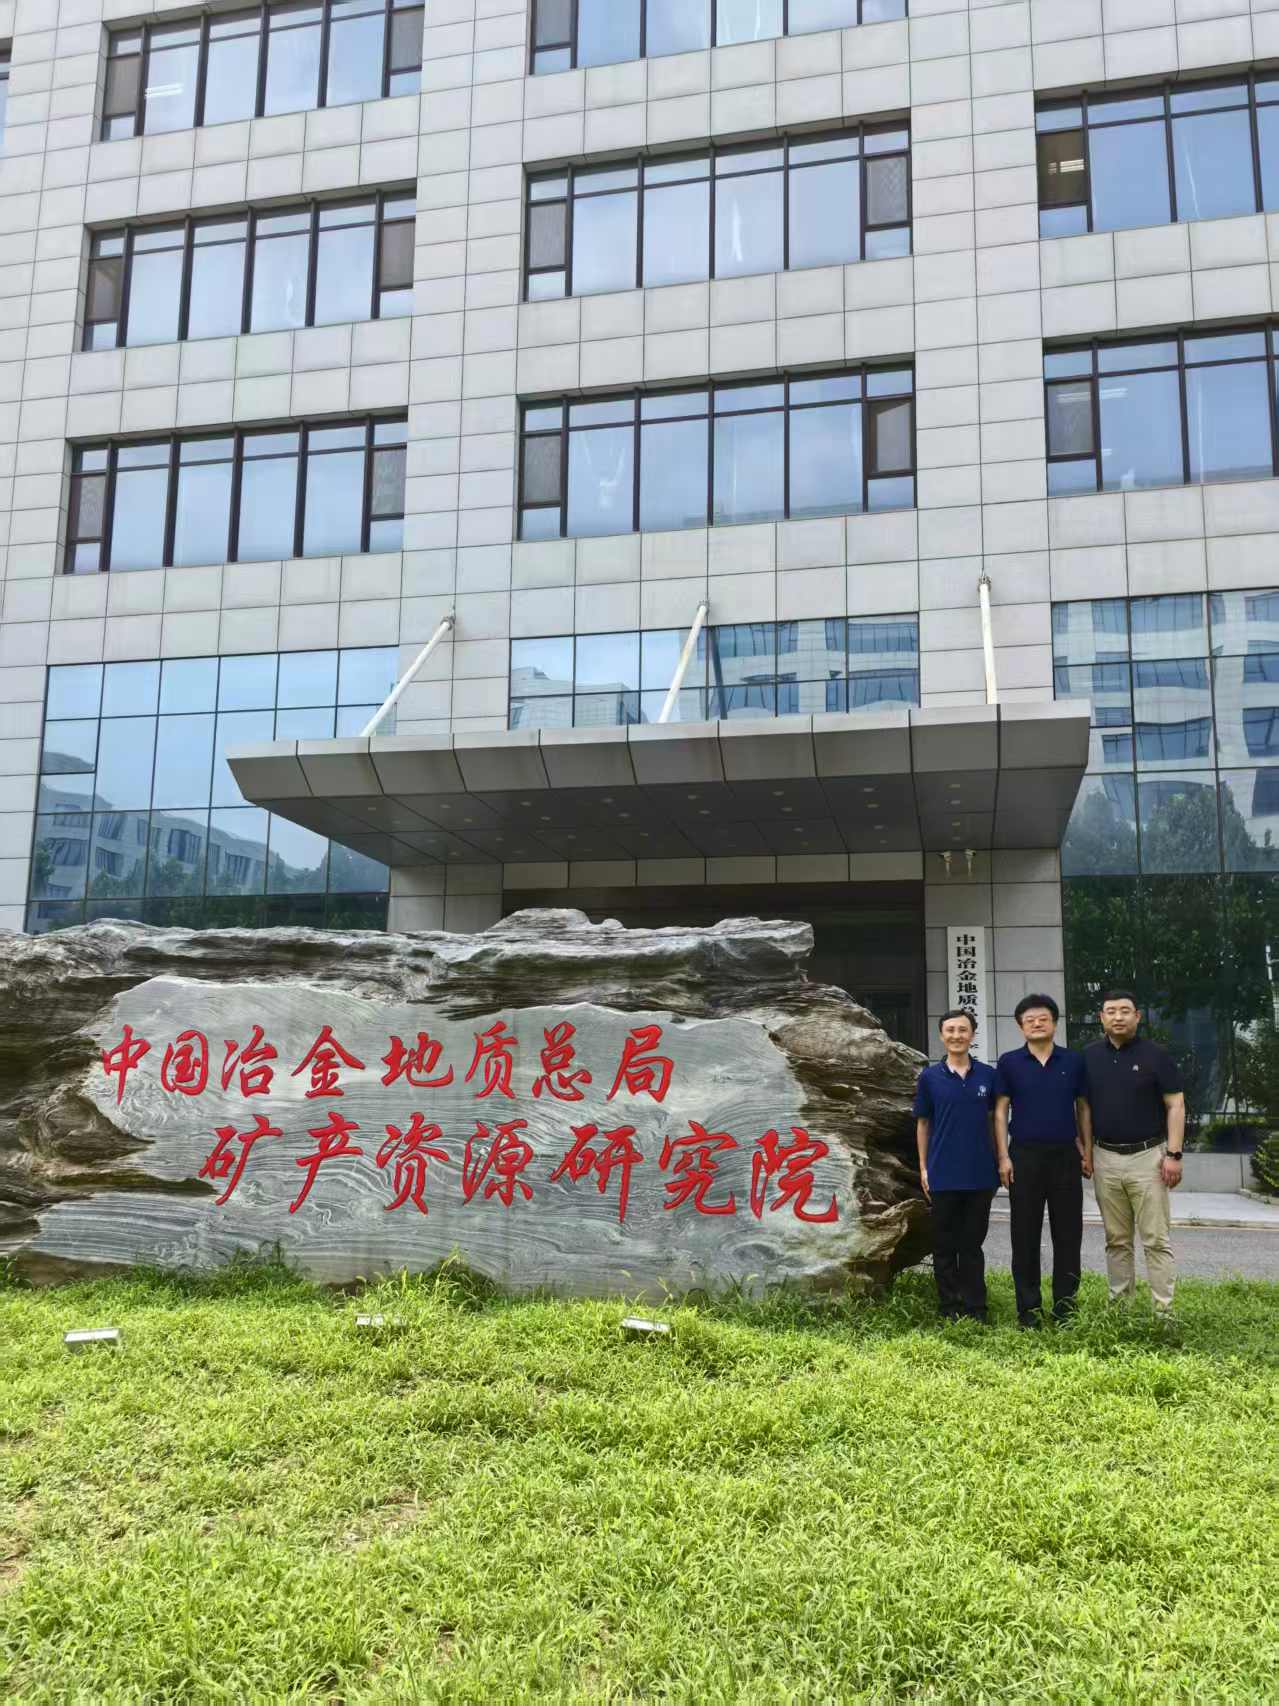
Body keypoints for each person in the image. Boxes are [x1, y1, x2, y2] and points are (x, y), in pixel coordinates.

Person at [1082, 989, 1185, 1314]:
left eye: (1125, 1011)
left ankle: (1164, 1313)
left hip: (1149, 1158)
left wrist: (1174, 1154)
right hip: (1105, 1157)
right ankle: (1119, 1310)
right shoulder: (1089, 1057)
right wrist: (1087, 1153)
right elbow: (1083, 1109)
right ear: (1101, 1018)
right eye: (1111, 1011)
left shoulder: (1156, 1055)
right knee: (1116, 1240)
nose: (1118, 1017)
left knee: (1156, 1239)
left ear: (1137, 1016)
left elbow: (1176, 1104)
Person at [993, 993, 1092, 1329]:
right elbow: (1000, 1111)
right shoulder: (1009, 1062)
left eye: (1043, 1019)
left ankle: (1065, 1309)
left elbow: (1083, 1108)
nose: (1036, 1024)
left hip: (1065, 1156)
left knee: (1069, 1235)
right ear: (1021, 1027)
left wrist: (1087, 1151)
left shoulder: (1073, 1061)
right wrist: (1003, 1156)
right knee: (1024, 1235)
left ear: (1054, 1023)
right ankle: (1029, 1311)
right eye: (1029, 1020)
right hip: (1024, 1157)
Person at [913, 1009, 999, 1322]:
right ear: (941, 1035)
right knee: (945, 1245)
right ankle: (949, 1306)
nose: (956, 1035)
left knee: (972, 1245)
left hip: (980, 1174)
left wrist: (999, 1161)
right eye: (950, 1030)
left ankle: (976, 1307)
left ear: (972, 1035)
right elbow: (923, 1123)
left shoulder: (988, 1076)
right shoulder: (930, 1077)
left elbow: (995, 1121)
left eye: (962, 1030)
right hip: (943, 1174)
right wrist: (924, 1167)